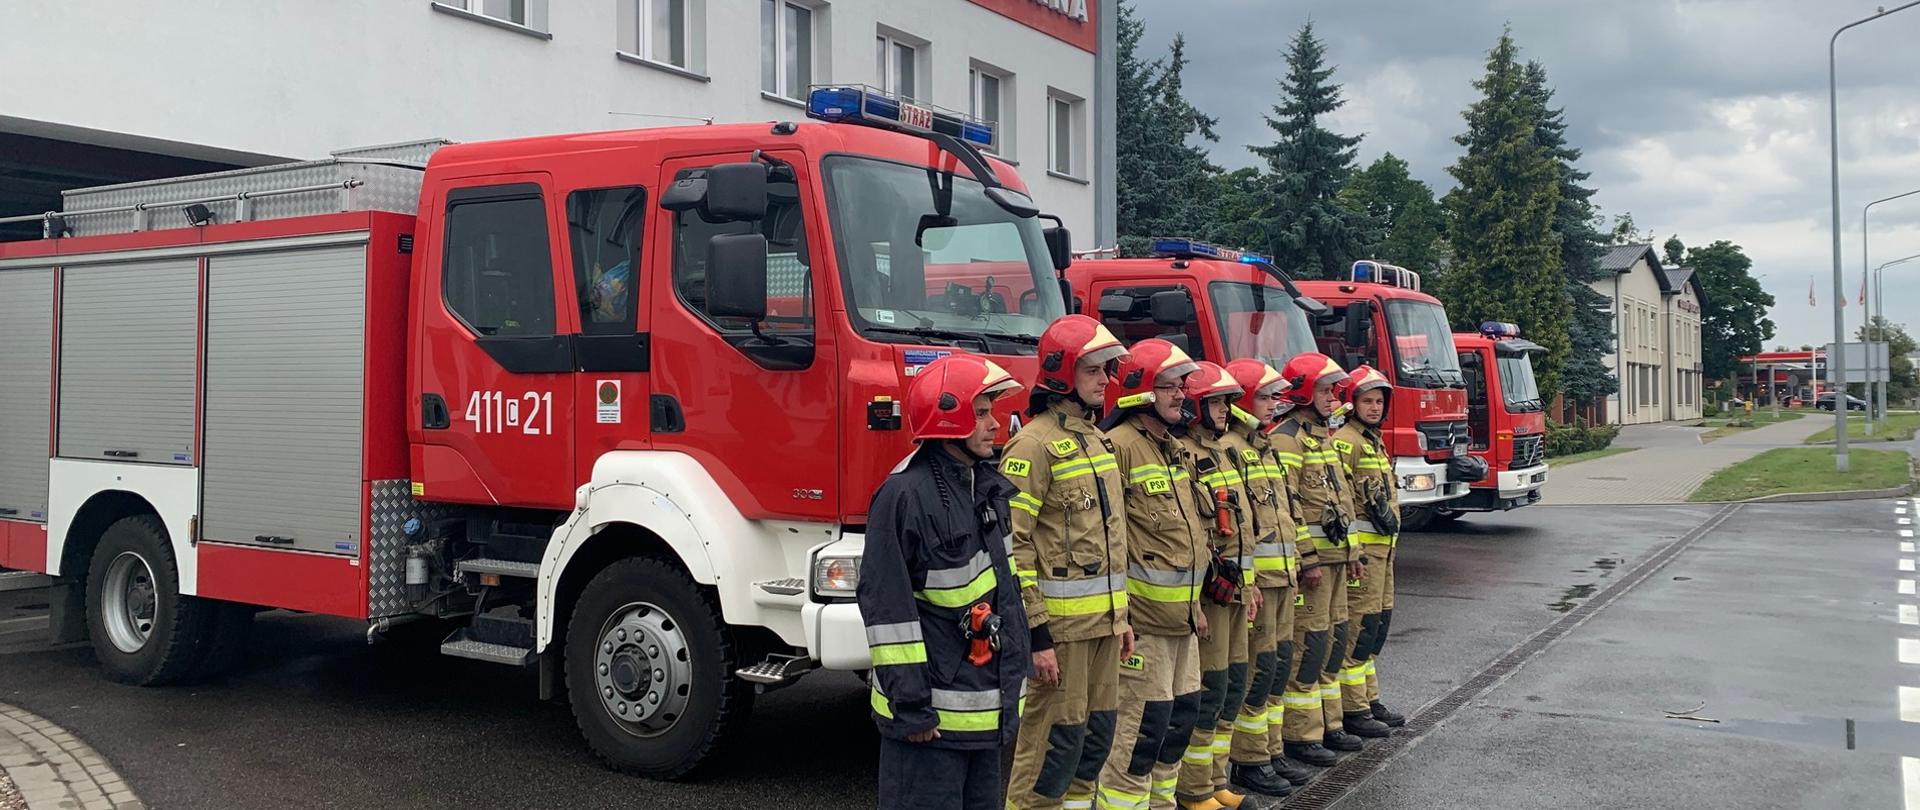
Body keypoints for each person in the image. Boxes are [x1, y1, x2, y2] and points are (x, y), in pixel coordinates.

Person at [858, 352, 1032, 810]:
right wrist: (913, 708)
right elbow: (888, 613)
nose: (995, 424)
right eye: (981, 413)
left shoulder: (986, 488)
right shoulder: (904, 496)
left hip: (983, 719)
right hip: (929, 726)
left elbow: (1005, 595)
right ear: (949, 416)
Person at [1003, 315, 1135, 810]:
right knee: (1050, 750)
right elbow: (1014, 549)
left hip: (1102, 629)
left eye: (1108, 369)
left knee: (1092, 742)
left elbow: (1111, 543)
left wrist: (1120, 619)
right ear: (1061, 373)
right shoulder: (1032, 446)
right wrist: (1037, 636)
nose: (1106, 379)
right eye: (1094, 369)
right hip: (1059, 635)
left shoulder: (1098, 440)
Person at [1092, 339, 1207, 810]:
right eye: (1169, 386)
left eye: (1182, 385)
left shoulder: (1170, 448)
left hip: (1182, 621)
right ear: (1141, 390)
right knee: (1139, 734)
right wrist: (1122, 619)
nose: (1181, 394)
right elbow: (1108, 542)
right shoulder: (1118, 448)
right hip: (1144, 627)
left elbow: (1185, 539)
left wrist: (1196, 606)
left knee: (1177, 723)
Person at [1220, 359, 1315, 793]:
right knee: (1256, 672)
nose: (1274, 405)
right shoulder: (1231, 451)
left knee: (1276, 668)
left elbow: (1287, 513)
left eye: (1276, 397)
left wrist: (1297, 562)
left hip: (1283, 580)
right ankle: (1249, 760)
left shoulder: (1268, 447)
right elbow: (1237, 529)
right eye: (1264, 396)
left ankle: (1270, 750)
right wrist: (1250, 582)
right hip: (1258, 584)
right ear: (1241, 398)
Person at [1173, 362, 1262, 809]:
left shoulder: (1226, 450)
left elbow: (1241, 528)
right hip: (1209, 595)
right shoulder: (1185, 453)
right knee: (1207, 692)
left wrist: (1252, 584)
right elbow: (1191, 534)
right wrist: (1197, 603)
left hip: (1236, 591)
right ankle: (1194, 790)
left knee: (1231, 686)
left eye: (1228, 401)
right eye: (1215, 401)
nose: (1225, 410)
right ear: (1195, 405)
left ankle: (1216, 779)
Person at [1270, 353, 1362, 767]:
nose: (1333, 397)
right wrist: (1307, 560)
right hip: (1315, 567)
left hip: (1338, 562)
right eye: (1325, 390)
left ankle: (1329, 724)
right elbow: (1290, 510)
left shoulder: (1323, 437)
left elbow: (1340, 503)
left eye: (1334, 391)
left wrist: (1354, 553)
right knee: (1307, 649)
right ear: (1304, 390)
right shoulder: (1287, 439)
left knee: (1331, 643)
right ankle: (1300, 735)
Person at [1331, 366, 1406, 732]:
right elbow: (1341, 501)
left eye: (1379, 401)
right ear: (1352, 403)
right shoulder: (1347, 441)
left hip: (1384, 553)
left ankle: (1369, 699)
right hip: (1364, 556)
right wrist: (1353, 551)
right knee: (1359, 629)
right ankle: (1354, 709)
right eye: (1367, 401)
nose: (1375, 407)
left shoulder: (1373, 440)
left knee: (1375, 628)